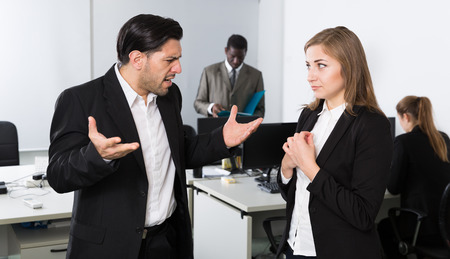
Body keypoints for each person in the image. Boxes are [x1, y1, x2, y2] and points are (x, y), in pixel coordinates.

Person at [46, 14, 262, 259]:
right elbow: (57, 175)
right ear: (138, 59)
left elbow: (179, 151)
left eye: (178, 59)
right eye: (170, 60)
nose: (178, 68)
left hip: (165, 242)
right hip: (108, 248)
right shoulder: (80, 100)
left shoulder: (170, 96)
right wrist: (96, 156)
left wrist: (221, 139)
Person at [276, 26, 393, 259]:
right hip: (295, 245)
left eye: (321, 65)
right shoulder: (308, 116)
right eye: (308, 66)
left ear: (349, 67)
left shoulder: (371, 125)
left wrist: (310, 167)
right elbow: (293, 192)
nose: (310, 75)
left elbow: (362, 214)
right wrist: (286, 167)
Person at [378, 96, 450, 258]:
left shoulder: (404, 142)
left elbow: (393, 188)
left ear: (406, 117)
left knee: (383, 227)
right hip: (445, 225)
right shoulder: (443, 138)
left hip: (421, 224)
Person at [193, 34, 265, 117]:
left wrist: (248, 121)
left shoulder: (256, 75)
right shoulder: (209, 72)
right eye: (232, 56)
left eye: (240, 57)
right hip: (215, 127)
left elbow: (260, 109)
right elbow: (198, 103)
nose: (236, 61)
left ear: (246, 52)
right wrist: (211, 107)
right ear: (226, 50)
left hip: (243, 128)